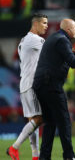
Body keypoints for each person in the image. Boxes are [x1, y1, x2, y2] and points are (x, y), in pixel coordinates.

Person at [32, 18, 75, 160]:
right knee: (64, 120)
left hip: (41, 85)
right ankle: (69, 156)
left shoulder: (55, 37)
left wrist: (74, 54)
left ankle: (44, 157)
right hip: (51, 85)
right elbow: (73, 63)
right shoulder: (62, 40)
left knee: (50, 122)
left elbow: (64, 56)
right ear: (68, 29)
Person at [7, 13, 48, 160]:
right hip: (32, 84)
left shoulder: (23, 41)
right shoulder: (36, 40)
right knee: (39, 119)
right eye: (44, 23)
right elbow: (52, 54)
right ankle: (14, 147)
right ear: (35, 24)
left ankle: (35, 156)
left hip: (24, 83)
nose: (46, 26)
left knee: (33, 120)